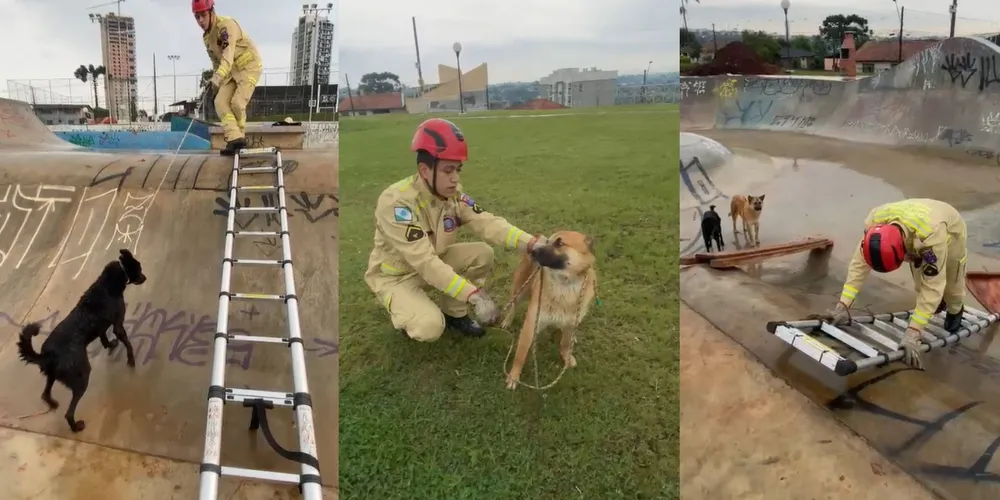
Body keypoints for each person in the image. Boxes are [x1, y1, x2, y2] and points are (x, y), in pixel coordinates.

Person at [365, 118, 548, 341]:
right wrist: (474, 295)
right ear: (424, 170)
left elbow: (487, 222)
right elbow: (424, 262)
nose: (455, 178)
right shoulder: (396, 203)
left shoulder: (452, 195)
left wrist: (531, 243)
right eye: (448, 170)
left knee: (482, 253)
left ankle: (454, 314)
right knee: (429, 327)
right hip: (398, 277)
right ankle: (409, 315)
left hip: (434, 261)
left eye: (458, 170)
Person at [823, 198, 968, 369]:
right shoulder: (873, 226)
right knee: (920, 286)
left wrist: (913, 332)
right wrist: (843, 305)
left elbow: (934, 285)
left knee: (951, 285)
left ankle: (955, 310)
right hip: (916, 225)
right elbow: (858, 266)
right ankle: (935, 306)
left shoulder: (929, 237)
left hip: (950, 230)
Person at [192, 0, 263, 156]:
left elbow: (227, 56)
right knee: (220, 102)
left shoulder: (226, 26)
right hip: (231, 72)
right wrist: (215, 82)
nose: (200, 21)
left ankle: (240, 137)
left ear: (212, 12)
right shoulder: (207, 38)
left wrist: (218, 77)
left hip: (249, 67)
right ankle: (234, 139)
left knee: (237, 103)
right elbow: (216, 62)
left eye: (203, 15)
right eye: (197, 17)